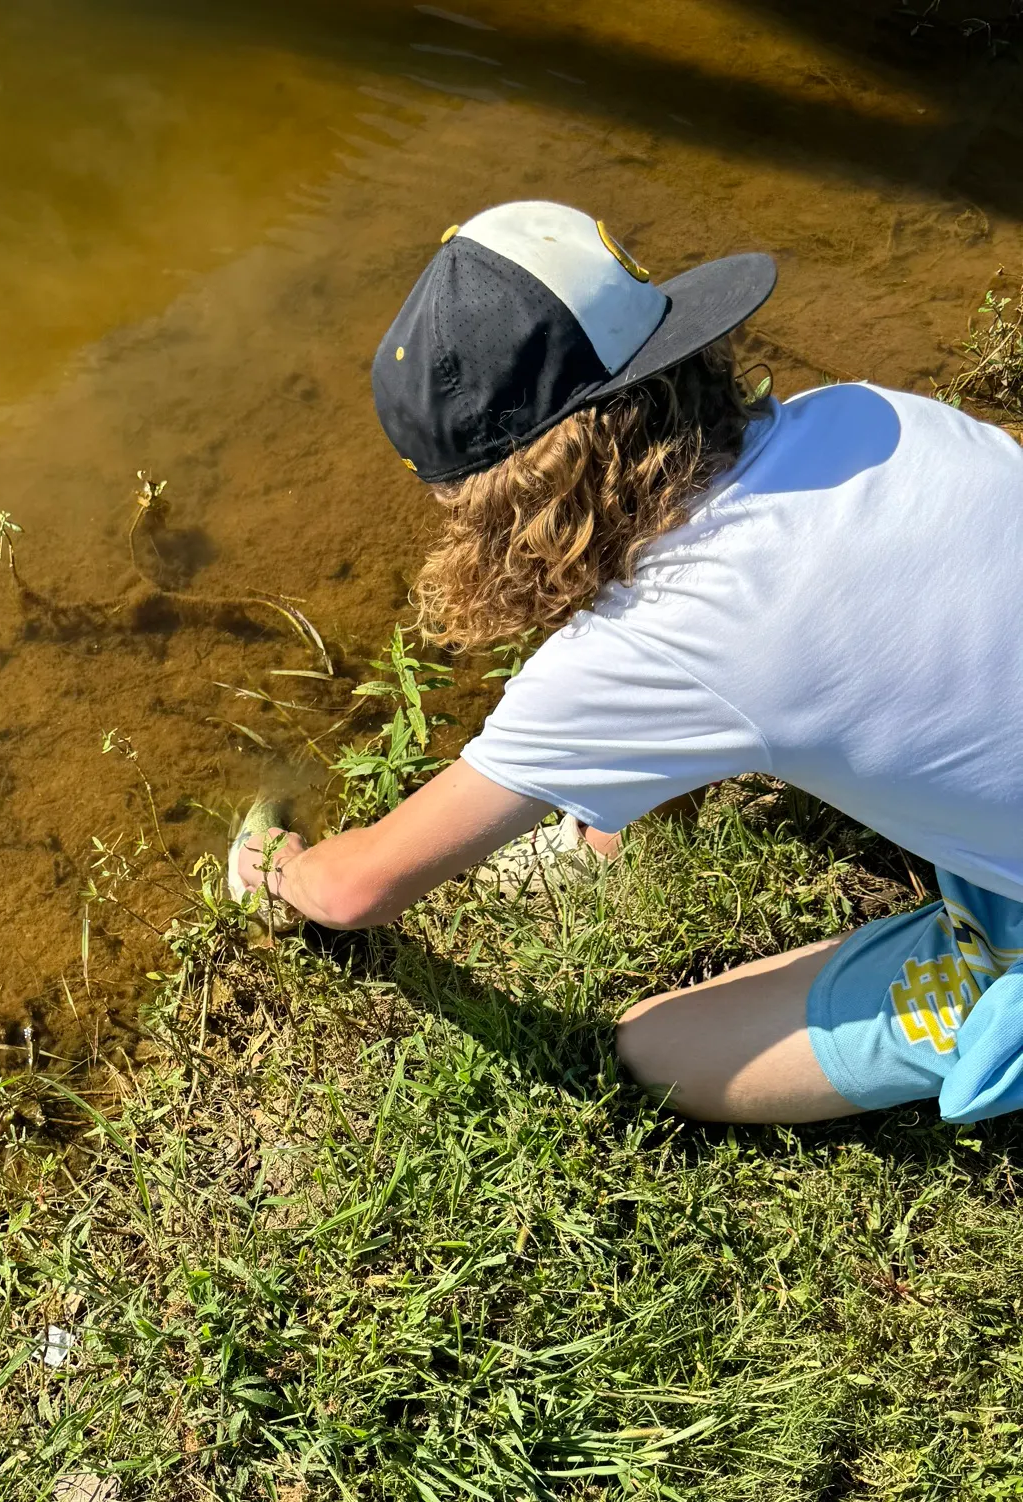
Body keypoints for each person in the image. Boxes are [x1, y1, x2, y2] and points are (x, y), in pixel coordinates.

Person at [236, 199, 1023, 1128]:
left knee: (657, 1049)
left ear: (502, 500)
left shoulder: (647, 640)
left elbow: (361, 887)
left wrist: (279, 868)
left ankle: (985, 979)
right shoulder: (868, 414)